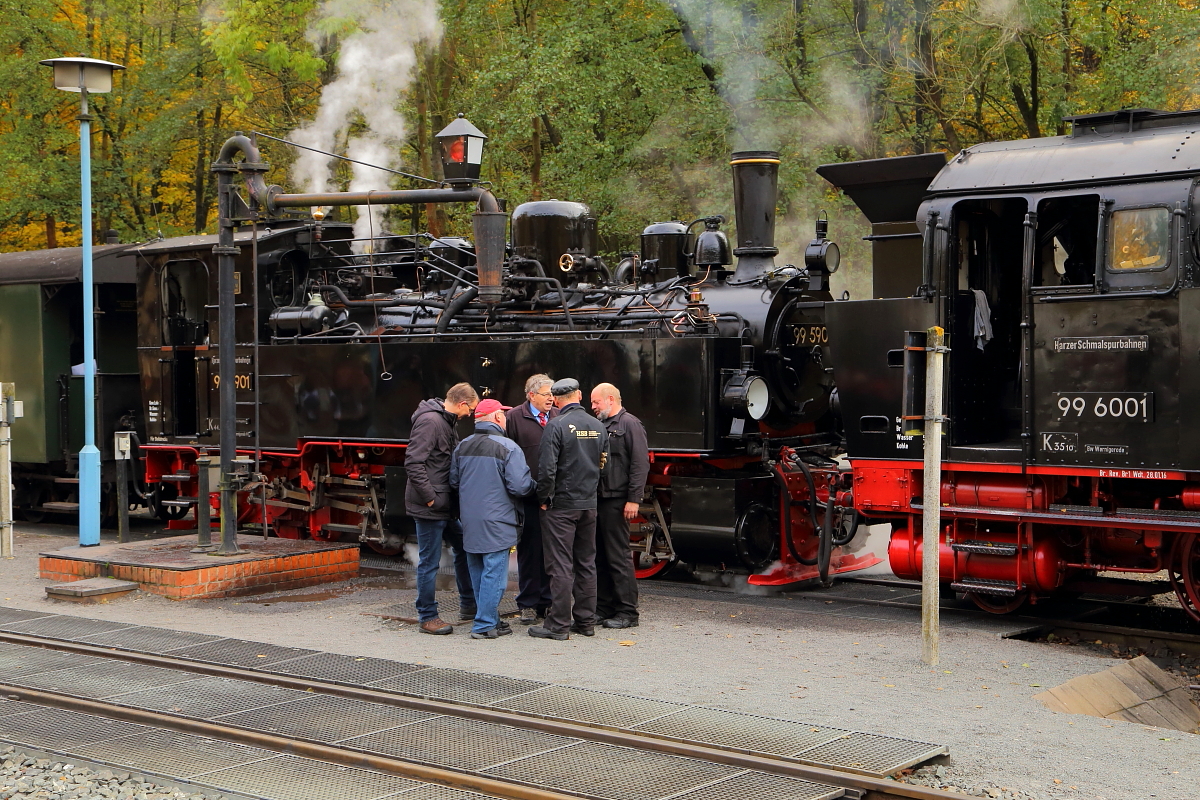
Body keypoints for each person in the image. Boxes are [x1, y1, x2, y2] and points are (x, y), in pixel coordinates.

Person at [530, 378, 609, 641]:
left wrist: (544, 498)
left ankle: (558, 624)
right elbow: (604, 465)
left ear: (556, 400)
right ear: (580, 395)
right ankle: (586, 621)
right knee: (586, 563)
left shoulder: (556, 426)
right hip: (588, 503)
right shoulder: (598, 426)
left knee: (560, 565)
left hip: (561, 506)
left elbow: (547, 469)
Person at [450, 399, 536, 639]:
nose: (505, 419)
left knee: (478, 570)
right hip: (499, 520)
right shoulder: (508, 447)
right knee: (494, 574)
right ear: (497, 417)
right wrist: (536, 486)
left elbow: (454, 481)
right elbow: (520, 486)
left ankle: (490, 619)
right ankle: (484, 624)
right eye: (504, 415)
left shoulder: (463, 446)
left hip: (470, 519)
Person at [404, 382, 479, 635]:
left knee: (463, 547)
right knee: (429, 561)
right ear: (462, 404)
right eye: (470, 409)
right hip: (433, 505)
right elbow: (413, 462)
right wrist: (431, 499)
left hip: (443, 505)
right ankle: (427, 617)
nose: (470, 414)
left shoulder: (444, 420)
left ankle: (469, 605)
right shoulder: (431, 421)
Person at [591, 383, 649, 629]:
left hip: (617, 499)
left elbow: (640, 464)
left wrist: (634, 499)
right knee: (600, 557)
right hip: (599, 498)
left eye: (596, 402)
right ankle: (603, 608)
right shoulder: (600, 426)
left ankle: (627, 612)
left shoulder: (630, 424)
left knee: (618, 557)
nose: (593, 407)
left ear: (611, 399)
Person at [505, 374, 557, 624]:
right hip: (528, 497)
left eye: (552, 394)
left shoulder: (558, 416)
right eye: (546, 394)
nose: (551, 398)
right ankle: (527, 602)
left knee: (551, 551)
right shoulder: (514, 418)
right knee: (529, 551)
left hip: (554, 497)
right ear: (531, 395)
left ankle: (547, 602)